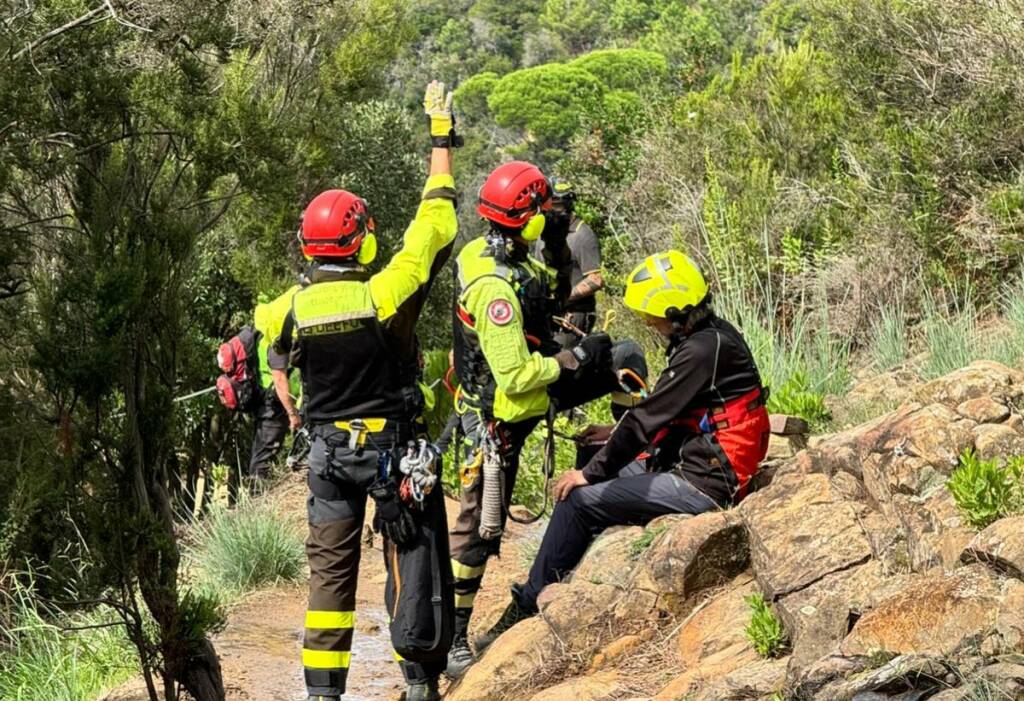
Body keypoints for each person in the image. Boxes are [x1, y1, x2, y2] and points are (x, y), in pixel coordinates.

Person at [270, 81, 460, 701]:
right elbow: (436, 221)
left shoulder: (288, 310)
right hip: (393, 455)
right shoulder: (385, 295)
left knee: (329, 580)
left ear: (308, 246)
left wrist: (293, 404)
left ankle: (324, 693)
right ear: (362, 241)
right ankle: (418, 681)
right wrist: (440, 134)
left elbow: (260, 351)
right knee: (410, 556)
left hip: (326, 460)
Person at [482, 250, 771, 641]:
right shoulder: (710, 337)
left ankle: (530, 602)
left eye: (650, 314)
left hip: (706, 481)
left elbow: (646, 418)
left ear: (673, 311)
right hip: (697, 458)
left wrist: (588, 474)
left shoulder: (701, 351)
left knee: (579, 497)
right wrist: (608, 435)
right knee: (592, 458)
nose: (646, 321)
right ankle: (559, 576)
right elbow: (667, 410)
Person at [445, 161, 613, 678]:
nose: (551, 215)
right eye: (544, 211)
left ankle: (620, 466)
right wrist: (568, 361)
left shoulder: (494, 253)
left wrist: (558, 243)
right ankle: (454, 638)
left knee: (621, 354)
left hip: (519, 407)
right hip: (501, 416)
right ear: (525, 218)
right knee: (479, 526)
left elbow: (546, 288)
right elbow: (516, 374)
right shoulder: (495, 289)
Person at [534, 180, 603, 348]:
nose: (554, 210)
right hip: (549, 314)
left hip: (574, 315)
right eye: (551, 205)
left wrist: (564, 296)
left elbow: (596, 279)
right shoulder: (542, 233)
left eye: (559, 205)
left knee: (564, 362)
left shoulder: (582, 235)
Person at [245, 287, 301, 491]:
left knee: (264, 449)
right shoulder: (275, 336)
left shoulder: (264, 331)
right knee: (266, 450)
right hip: (273, 396)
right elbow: (279, 378)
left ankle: (258, 492)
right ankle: (256, 497)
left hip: (268, 392)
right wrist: (292, 413)